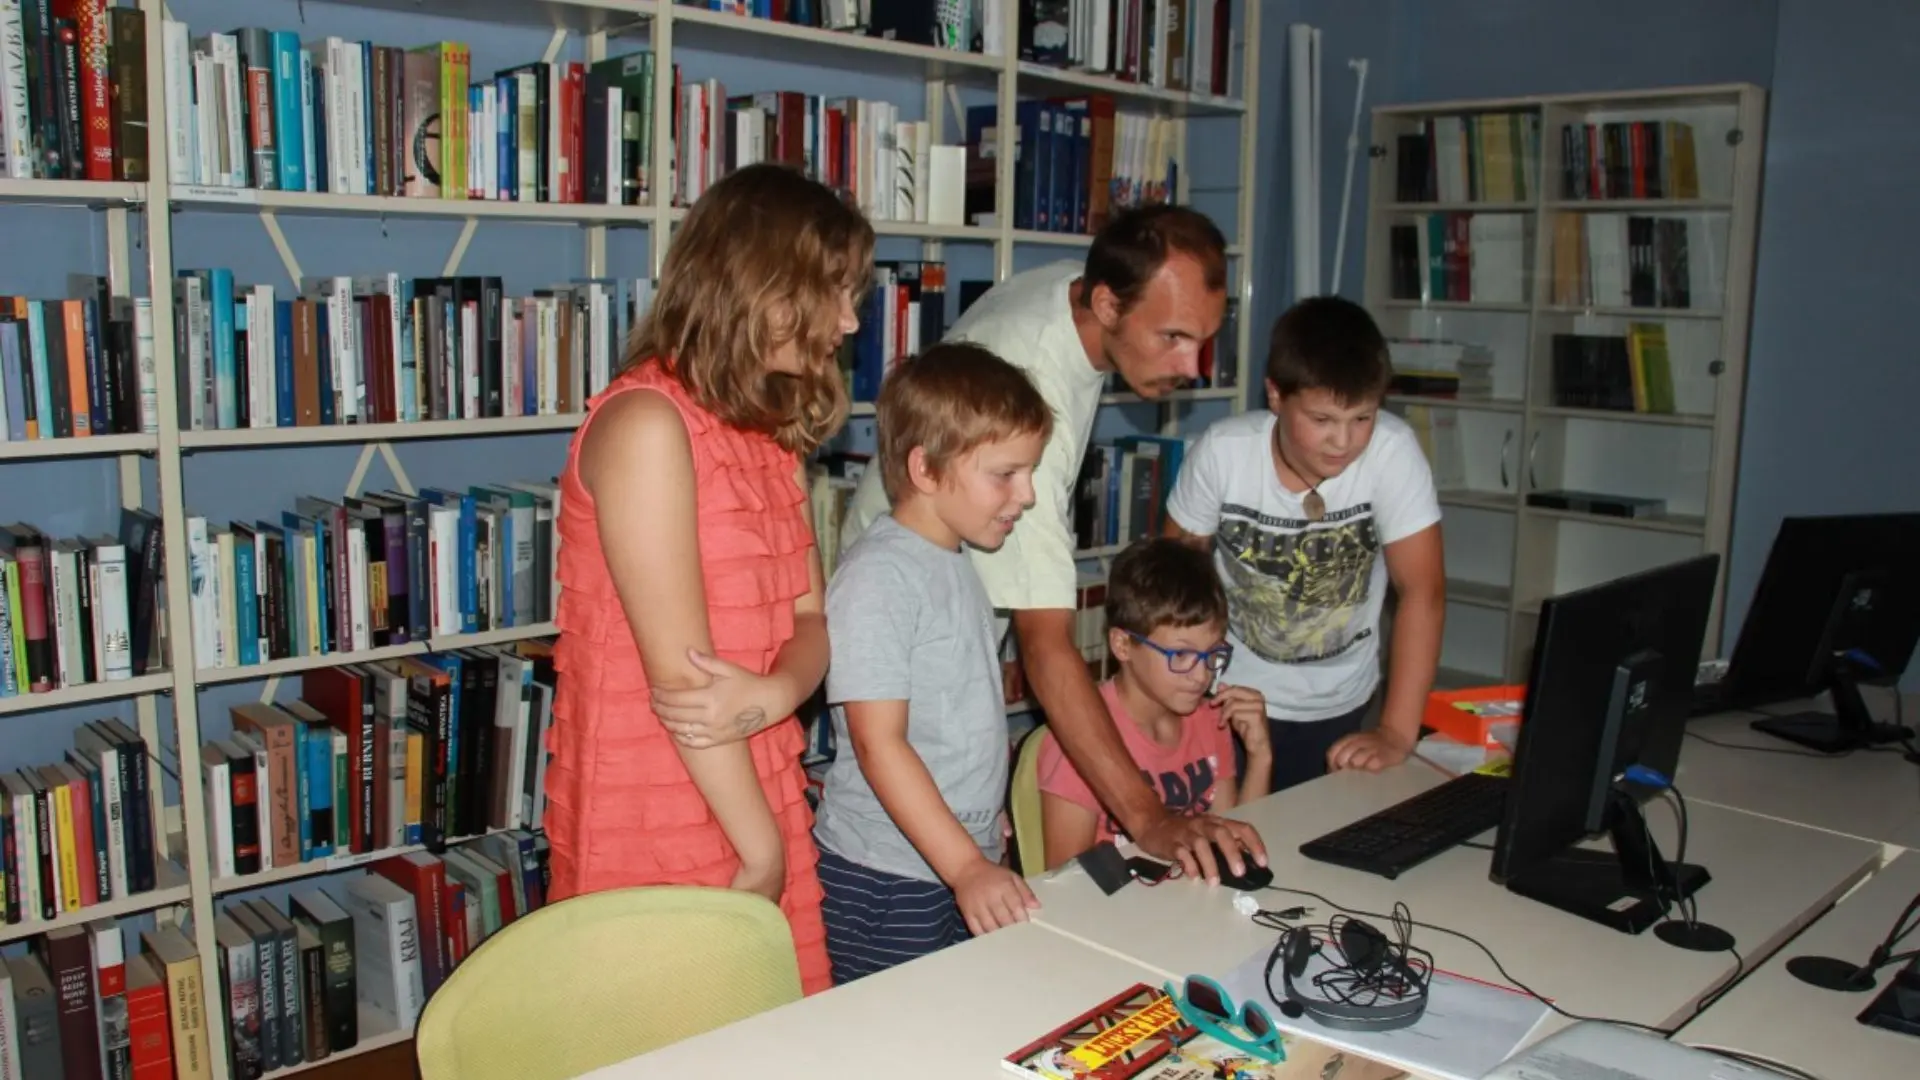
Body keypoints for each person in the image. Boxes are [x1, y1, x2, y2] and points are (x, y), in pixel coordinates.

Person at [839, 203, 1267, 885]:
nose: (1192, 365)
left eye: (1204, 340)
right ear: (1107, 304)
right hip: (909, 605)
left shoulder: (1078, 285)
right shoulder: (1037, 390)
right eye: (1174, 337)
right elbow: (1046, 649)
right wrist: (1149, 818)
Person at [544, 163, 874, 996]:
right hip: (660, 800)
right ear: (761, 287)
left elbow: (812, 623)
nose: (849, 320)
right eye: (834, 292)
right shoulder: (647, 425)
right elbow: (684, 686)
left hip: (757, 785)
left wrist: (771, 695)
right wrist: (760, 852)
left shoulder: (767, 430)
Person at [813, 342, 1053, 983]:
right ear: (925, 469)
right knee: (894, 1028)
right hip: (887, 875)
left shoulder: (953, 559)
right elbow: (878, 743)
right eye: (1006, 474)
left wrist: (982, 821)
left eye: (1030, 473)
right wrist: (965, 866)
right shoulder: (880, 577)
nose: (1027, 495)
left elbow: (954, 716)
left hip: (954, 853)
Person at [1165, 295, 1445, 793]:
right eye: (1322, 420)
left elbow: (1423, 592)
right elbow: (1170, 589)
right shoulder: (1224, 454)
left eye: (1362, 418)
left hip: (1342, 701)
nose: (1344, 441)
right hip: (1227, 696)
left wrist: (1396, 732)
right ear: (1276, 395)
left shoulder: (1393, 453)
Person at [1036, 538, 1271, 870]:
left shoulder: (1210, 718)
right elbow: (1065, 881)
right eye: (1181, 654)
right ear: (1123, 645)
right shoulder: (1080, 741)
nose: (1201, 675)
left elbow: (1233, 849)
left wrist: (1260, 756)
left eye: (1212, 653)